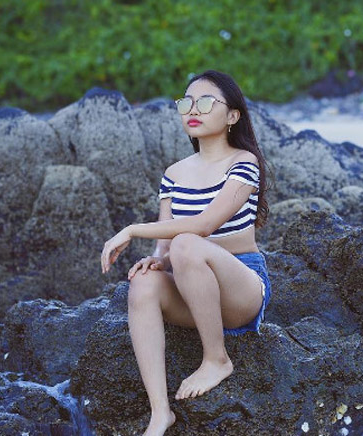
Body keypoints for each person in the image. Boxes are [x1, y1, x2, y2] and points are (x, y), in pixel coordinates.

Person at [100, 70, 272, 436]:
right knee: (144, 282)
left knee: (187, 242)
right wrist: (157, 261)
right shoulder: (174, 174)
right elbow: (166, 248)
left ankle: (216, 358)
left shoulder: (243, 163)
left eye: (206, 102)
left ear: (232, 115)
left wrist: (132, 229)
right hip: (194, 290)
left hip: (242, 288)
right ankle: (160, 412)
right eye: (186, 103)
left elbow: (203, 226)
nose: (193, 110)